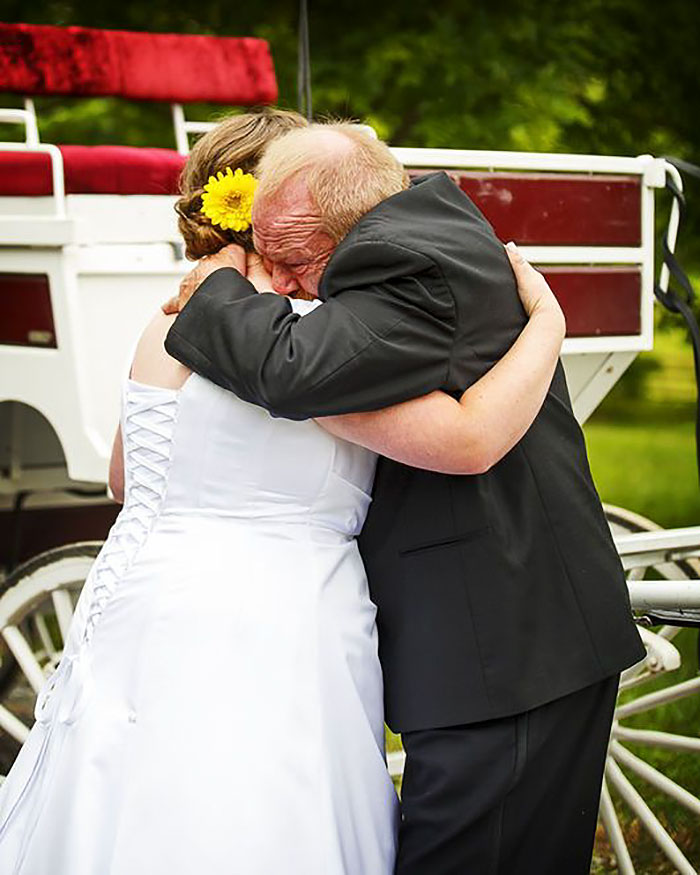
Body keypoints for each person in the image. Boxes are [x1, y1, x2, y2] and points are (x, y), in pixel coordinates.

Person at [0, 111, 565, 875]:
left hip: (144, 593)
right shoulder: (315, 344)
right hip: (283, 610)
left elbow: (125, 479)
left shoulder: (168, 321)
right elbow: (466, 437)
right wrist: (547, 325)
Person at [164, 122, 647, 875]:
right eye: (268, 256)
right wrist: (548, 325)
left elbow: (292, 371)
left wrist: (218, 288)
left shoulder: (398, 262)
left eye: (295, 258)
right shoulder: (422, 222)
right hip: (523, 631)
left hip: (503, 647)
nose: (283, 283)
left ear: (350, 224)